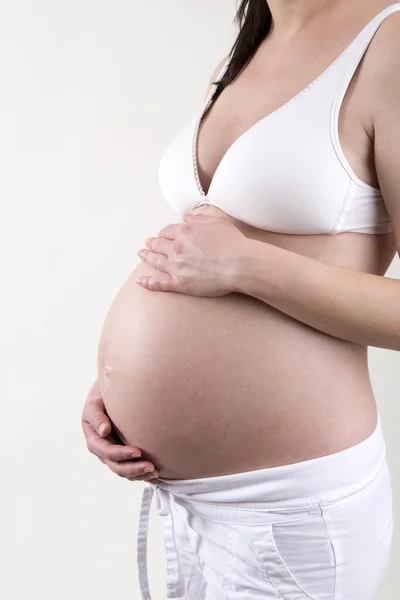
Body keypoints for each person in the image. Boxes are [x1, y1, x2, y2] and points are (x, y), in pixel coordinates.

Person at [82, 1, 400, 598]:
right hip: (187, 502)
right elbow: (203, 245)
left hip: (289, 507)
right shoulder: (248, 45)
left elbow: (232, 255)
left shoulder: (389, 43)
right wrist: (117, 388)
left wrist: (247, 267)